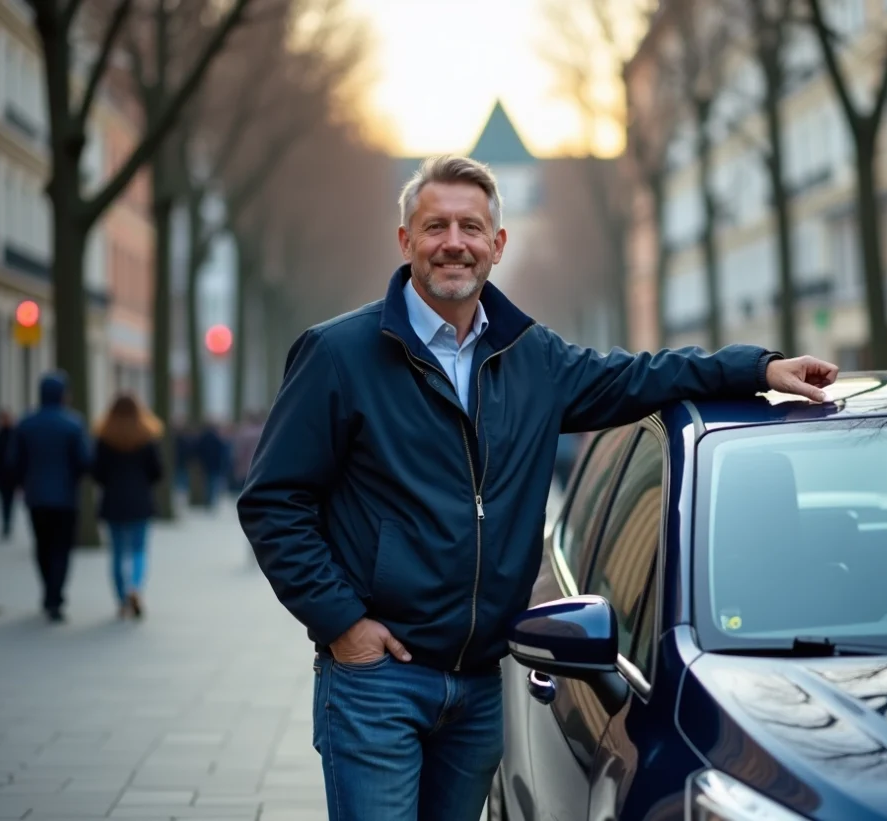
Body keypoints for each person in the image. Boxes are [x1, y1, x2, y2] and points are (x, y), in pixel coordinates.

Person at [237, 155, 839, 821]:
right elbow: (272, 499)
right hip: (380, 680)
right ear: (405, 241)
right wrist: (343, 622)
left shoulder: (534, 357)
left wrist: (758, 366)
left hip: (482, 684)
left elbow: (641, 377)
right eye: (435, 226)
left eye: (471, 227)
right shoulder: (339, 354)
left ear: (498, 245)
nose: (454, 243)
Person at [9, 371, 90, 622]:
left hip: (36, 496)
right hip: (65, 497)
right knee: (61, 548)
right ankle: (55, 594)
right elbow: (84, 460)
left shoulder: (27, 423)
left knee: (42, 546)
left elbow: (13, 461)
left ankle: (48, 591)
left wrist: (23, 482)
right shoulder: (73, 423)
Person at [92, 392, 164, 619]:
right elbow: (157, 471)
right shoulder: (146, 437)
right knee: (139, 549)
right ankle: (135, 587)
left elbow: (97, 472)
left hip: (113, 501)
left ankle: (122, 598)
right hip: (139, 501)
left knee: (117, 551)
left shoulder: (105, 438)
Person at [0, 410, 18, 539]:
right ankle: (5, 523)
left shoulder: (14, 435)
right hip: (2, 475)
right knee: (3, 501)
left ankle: (8, 523)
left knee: (9, 501)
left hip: (11, 476)